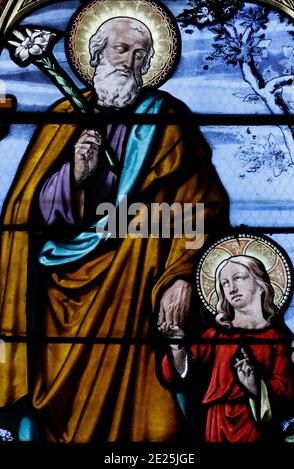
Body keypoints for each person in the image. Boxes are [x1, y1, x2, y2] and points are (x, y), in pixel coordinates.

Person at [0, 17, 228, 442]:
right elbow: (27, 214)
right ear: (95, 54)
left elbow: (203, 210)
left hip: (141, 288)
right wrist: (74, 176)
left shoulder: (169, 118)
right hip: (62, 297)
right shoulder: (64, 116)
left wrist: (182, 276)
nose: (132, 60)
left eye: (142, 53)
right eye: (122, 49)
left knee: (154, 427)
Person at [161, 255, 294, 443]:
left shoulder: (277, 338)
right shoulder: (214, 336)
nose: (231, 288)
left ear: (259, 284)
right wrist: (177, 345)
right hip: (216, 422)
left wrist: (255, 385)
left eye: (238, 278)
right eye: (224, 283)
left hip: (257, 427)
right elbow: (180, 375)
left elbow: (289, 390)